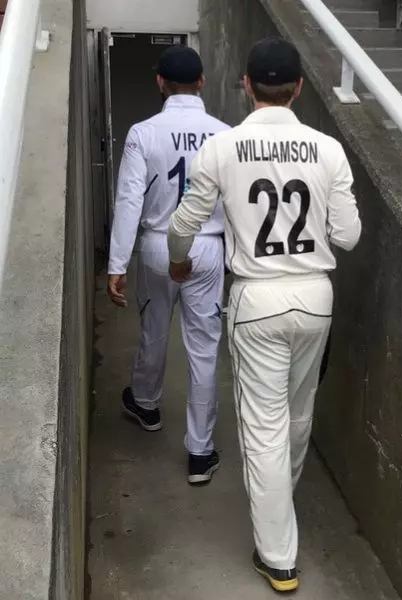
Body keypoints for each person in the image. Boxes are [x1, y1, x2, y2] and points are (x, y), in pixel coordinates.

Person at [166, 37, 362, 593]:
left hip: (256, 299)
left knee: (263, 428)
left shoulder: (222, 148)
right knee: (297, 418)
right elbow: (348, 236)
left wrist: (178, 262)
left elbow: (184, 224)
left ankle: (278, 557)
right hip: (315, 297)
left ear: (247, 85)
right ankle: (281, 511)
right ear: (298, 88)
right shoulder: (328, 149)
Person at [106, 44, 230, 485]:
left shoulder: (143, 133)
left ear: (160, 83)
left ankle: (146, 403)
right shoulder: (225, 134)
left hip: (159, 243)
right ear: (201, 82)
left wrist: (117, 263)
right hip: (208, 246)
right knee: (204, 349)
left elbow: (128, 200)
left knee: (154, 328)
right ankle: (200, 453)